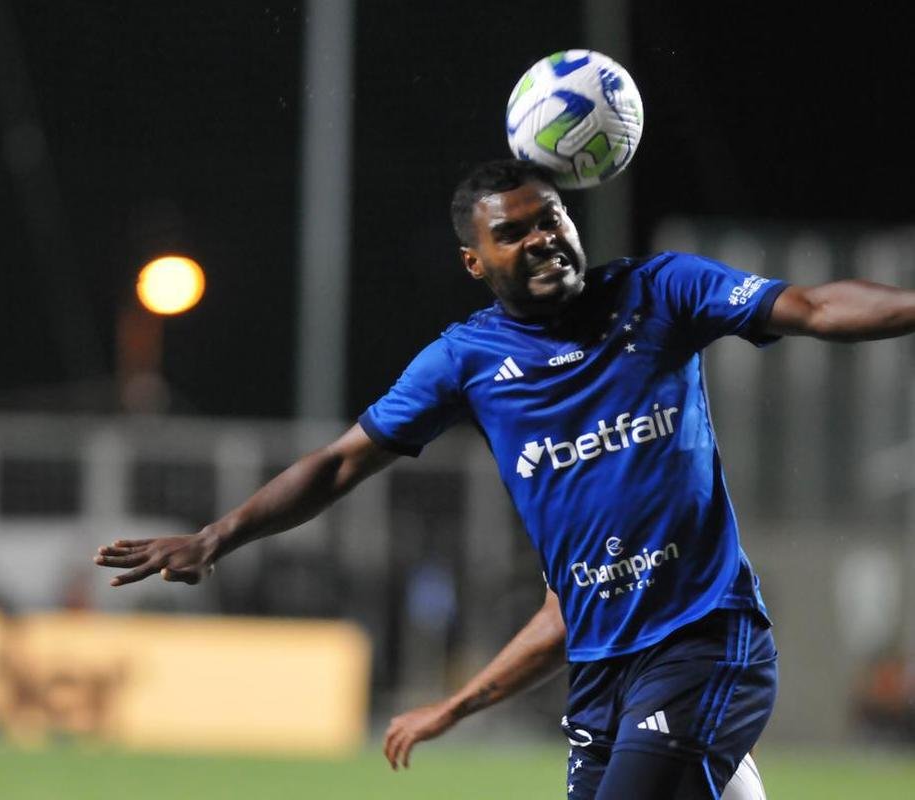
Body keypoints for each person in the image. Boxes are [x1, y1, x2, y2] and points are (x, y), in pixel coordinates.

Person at [95, 158, 915, 798]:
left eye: (550, 218)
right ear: (473, 259)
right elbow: (345, 462)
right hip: (601, 672)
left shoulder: (659, 293)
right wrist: (217, 536)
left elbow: (811, 307)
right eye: (513, 233)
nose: (541, 239)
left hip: (704, 641)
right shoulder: (466, 362)